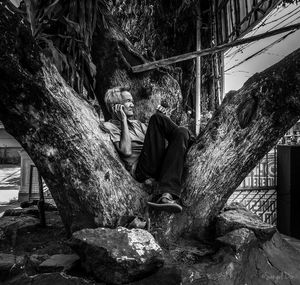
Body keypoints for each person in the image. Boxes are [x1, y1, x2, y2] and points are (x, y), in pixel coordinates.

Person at [102, 86, 191, 213]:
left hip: (157, 165)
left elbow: (160, 145)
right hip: (142, 170)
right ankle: (191, 139)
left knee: (180, 130)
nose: (132, 104)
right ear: (116, 107)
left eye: (132, 101)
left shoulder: (138, 125)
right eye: (127, 101)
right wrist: (123, 121)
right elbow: (126, 151)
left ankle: (166, 195)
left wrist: (167, 119)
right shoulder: (109, 126)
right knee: (156, 119)